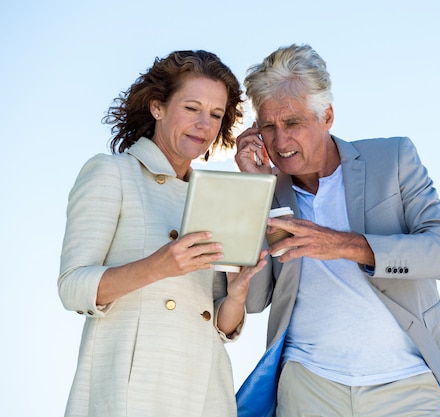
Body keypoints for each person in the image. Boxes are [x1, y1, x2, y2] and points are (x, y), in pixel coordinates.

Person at [234, 44, 440, 417]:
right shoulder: (268, 189)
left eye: (292, 123)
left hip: (407, 385)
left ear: (327, 116)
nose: (279, 142)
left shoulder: (393, 159)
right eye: (268, 127)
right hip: (308, 384)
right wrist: (256, 192)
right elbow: (255, 300)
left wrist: (343, 245)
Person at [58, 50, 267, 417]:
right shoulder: (113, 173)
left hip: (204, 391)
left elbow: (220, 323)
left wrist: (234, 297)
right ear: (158, 107)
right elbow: (73, 287)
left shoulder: (217, 196)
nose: (204, 124)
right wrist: (158, 266)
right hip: (130, 387)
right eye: (191, 108)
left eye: (216, 114)